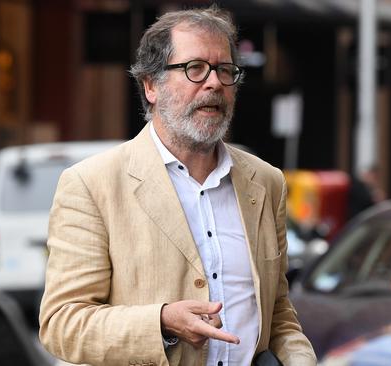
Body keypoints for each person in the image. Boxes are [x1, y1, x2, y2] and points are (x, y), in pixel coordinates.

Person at [39, 5, 316, 366]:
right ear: (151, 85)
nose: (214, 82)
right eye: (195, 68)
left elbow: (277, 313)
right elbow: (63, 323)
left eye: (225, 70)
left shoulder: (266, 182)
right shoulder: (92, 184)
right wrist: (162, 322)